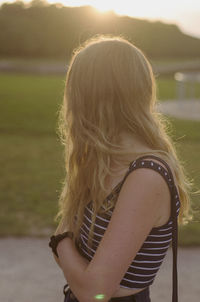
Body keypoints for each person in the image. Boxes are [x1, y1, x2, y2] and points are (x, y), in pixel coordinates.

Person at [49, 35, 193, 302]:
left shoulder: (146, 176)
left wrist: (60, 241)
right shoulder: (103, 162)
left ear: (88, 97)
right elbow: (75, 269)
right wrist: (67, 247)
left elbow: (93, 292)